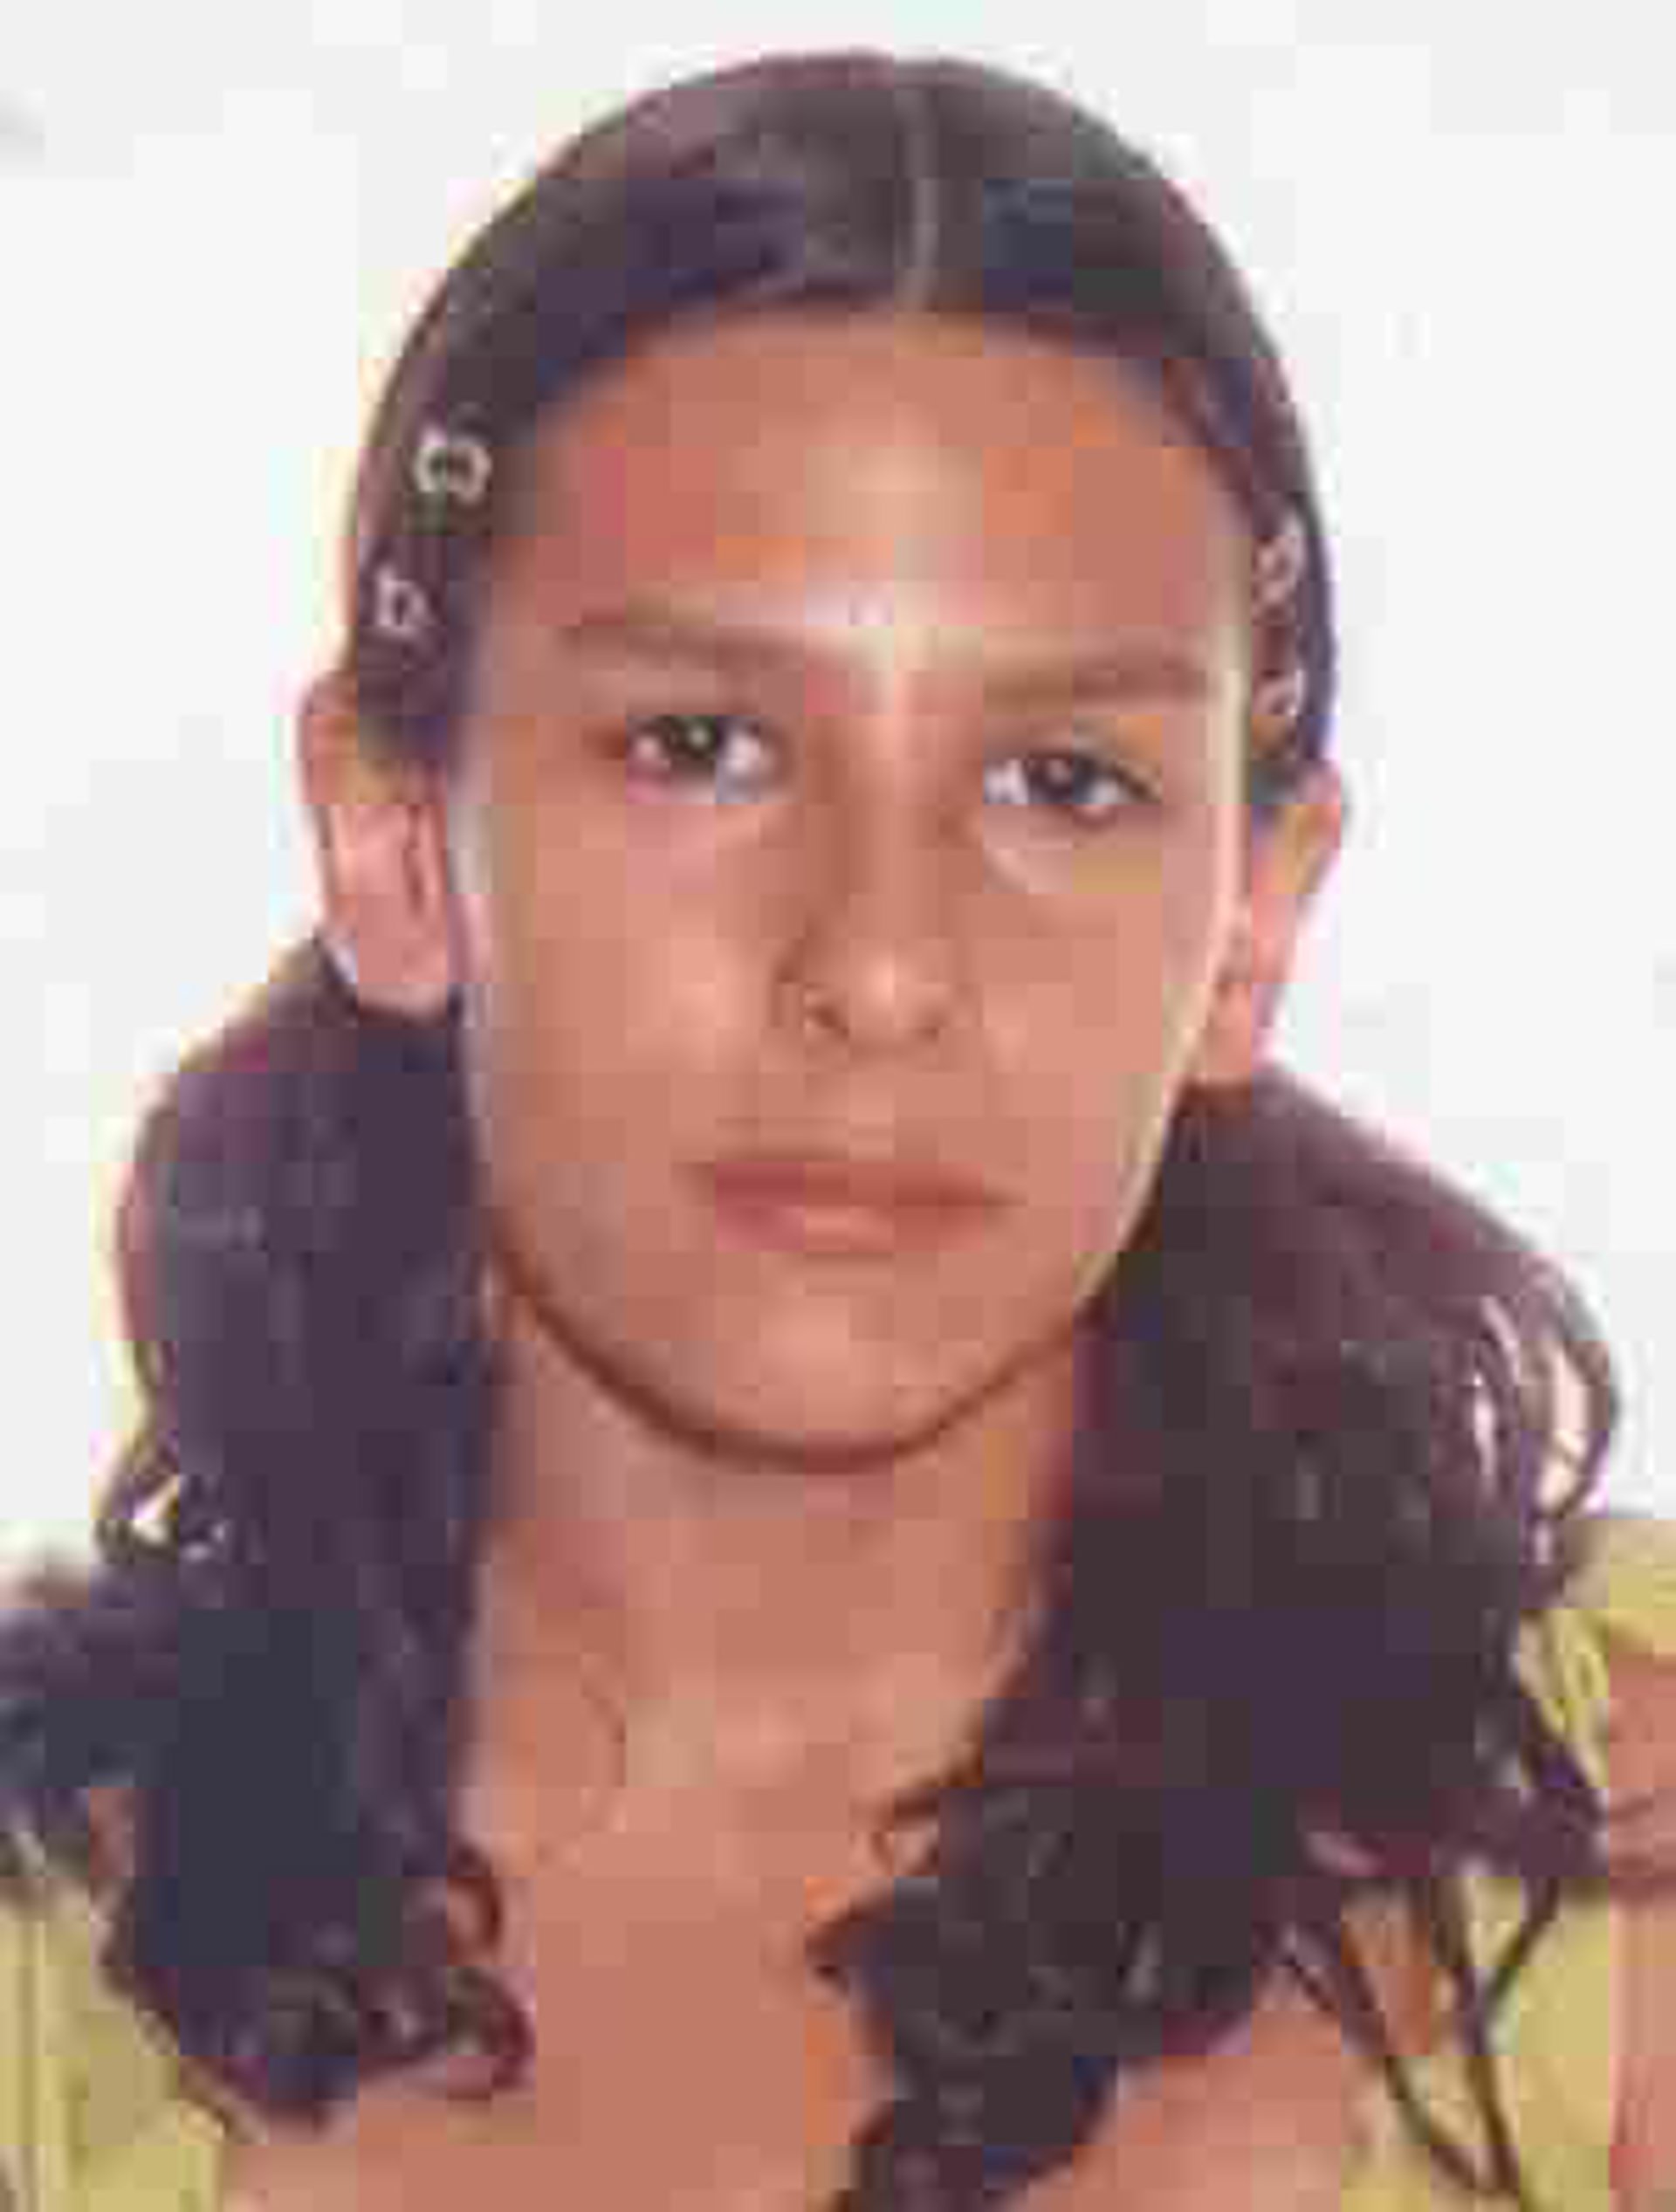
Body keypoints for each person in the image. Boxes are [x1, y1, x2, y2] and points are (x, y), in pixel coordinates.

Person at [0, 47, 1672, 2212]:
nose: (879, 969)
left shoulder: (1619, 1852)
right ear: (396, 834)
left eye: (1063, 782)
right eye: (700, 744)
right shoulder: (47, 1948)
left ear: (1253, 918)